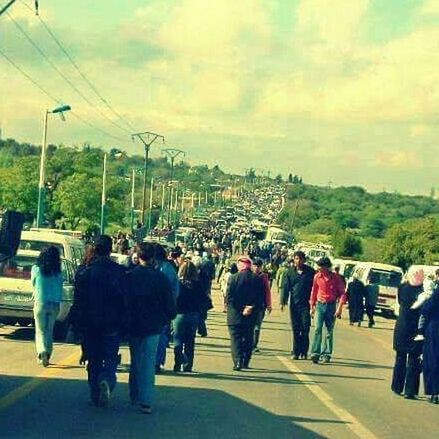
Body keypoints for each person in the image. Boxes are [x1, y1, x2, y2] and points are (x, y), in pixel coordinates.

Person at [72, 235, 126, 407]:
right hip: (112, 323)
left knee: (93, 359)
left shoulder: (85, 272)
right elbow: (125, 300)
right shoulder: (120, 272)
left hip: (90, 323)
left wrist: (77, 325)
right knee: (110, 357)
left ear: (95, 249)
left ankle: (95, 393)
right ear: (110, 249)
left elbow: (78, 301)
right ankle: (107, 380)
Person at [125, 243, 176, 414]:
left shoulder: (130, 276)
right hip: (154, 326)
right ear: (153, 257)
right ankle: (145, 400)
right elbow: (169, 304)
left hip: (133, 324)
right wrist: (168, 317)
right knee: (148, 362)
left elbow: (123, 300)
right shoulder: (160, 278)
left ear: (138, 256)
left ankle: (134, 394)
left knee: (135, 360)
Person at [226, 256, 265, 370]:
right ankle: (245, 361)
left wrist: (240, 309)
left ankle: (237, 362)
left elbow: (229, 298)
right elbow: (260, 298)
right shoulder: (257, 279)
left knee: (235, 339)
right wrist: (250, 307)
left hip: (235, 315)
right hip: (251, 314)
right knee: (248, 338)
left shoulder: (233, 278)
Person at [391, 268, 424, 399]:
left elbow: (399, 303)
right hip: (416, 327)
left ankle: (396, 387)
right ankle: (410, 391)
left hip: (402, 325)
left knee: (400, 357)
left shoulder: (402, 287)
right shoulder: (424, 291)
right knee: (414, 359)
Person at [309, 257, 346, 364]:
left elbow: (343, 293)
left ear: (326, 267)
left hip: (331, 306)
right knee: (317, 329)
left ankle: (326, 354)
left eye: (321, 266)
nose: (319, 268)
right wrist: (312, 307)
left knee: (329, 331)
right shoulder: (317, 277)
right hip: (320, 305)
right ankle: (315, 352)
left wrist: (339, 308)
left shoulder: (336, 278)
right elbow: (314, 292)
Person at [31, 246, 63, 367]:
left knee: (40, 330)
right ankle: (48, 354)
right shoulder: (59, 272)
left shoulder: (36, 269)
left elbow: (33, 283)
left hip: (41, 302)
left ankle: (42, 351)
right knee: (50, 330)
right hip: (55, 304)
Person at [280, 251, 315, 360]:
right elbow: (285, 288)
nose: (298, 261)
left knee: (305, 328)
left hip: (306, 305)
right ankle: (295, 351)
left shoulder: (310, 272)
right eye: (296, 259)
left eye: (300, 259)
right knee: (296, 329)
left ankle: (304, 352)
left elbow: (315, 288)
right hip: (294, 304)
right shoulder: (289, 272)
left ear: (304, 260)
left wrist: (314, 303)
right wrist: (283, 301)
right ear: (293, 260)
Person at [173, 260, 206, 373]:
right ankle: (187, 366)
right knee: (190, 342)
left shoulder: (178, 283)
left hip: (179, 315)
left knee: (177, 340)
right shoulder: (198, 285)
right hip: (193, 315)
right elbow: (203, 301)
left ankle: (178, 362)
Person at [154, 244, 180, 374]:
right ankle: (158, 362)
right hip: (164, 308)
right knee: (161, 336)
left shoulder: (161, 269)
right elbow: (175, 291)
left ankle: (155, 361)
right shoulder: (169, 269)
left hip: (158, 308)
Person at [421, 278, 439, 404]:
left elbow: (426, 309)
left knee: (433, 360)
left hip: (435, 329)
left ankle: (434, 392)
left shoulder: (437, 293)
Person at [252, 258, 272, 353]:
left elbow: (267, 291)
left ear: (261, 267)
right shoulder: (249, 275)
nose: (256, 268)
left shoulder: (264, 277)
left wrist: (269, 305)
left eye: (258, 266)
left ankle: (254, 345)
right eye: (255, 266)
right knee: (249, 326)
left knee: (257, 326)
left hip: (260, 306)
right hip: (249, 305)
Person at [198, 252, 216, 337]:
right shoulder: (212, 263)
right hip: (206, 284)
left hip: (201, 285)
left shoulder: (202, 263)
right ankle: (202, 329)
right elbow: (213, 274)